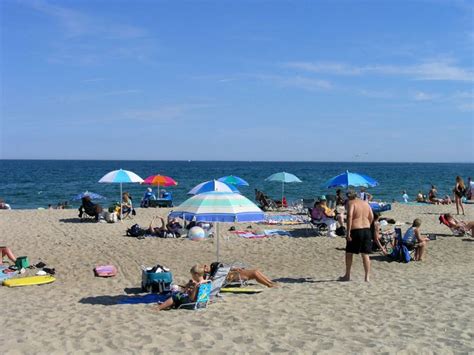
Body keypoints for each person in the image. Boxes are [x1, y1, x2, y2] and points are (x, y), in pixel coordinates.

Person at [339, 191, 374, 282]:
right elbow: (371, 216)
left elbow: (350, 216)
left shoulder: (351, 203)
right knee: (365, 254)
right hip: (366, 229)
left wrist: (348, 232)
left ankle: (347, 275)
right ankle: (367, 277)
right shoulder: (365, 203)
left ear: (349, 197)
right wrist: (368, 225)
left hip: (356, 229)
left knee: (349, 253)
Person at [204, 262, 276, 288]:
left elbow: (228, 269)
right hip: (236, 276)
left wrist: (235, 269)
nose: (206, 266)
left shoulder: (216, 270)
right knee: (254, 273)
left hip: (236, 274)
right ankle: (268, 284)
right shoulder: (215, 272)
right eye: (205, 267)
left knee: (256, 271)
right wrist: (234, 271)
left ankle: (269, 282)